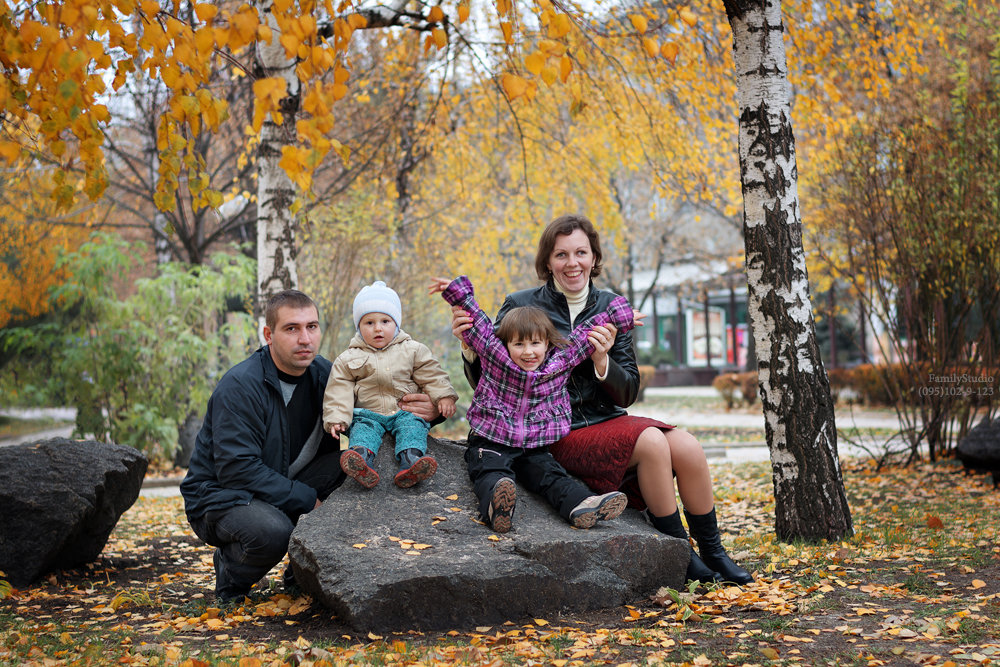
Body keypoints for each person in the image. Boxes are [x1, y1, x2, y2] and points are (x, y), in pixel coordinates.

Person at [453, 215, 753, 584]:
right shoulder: (520, 305)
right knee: (653, 441)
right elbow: (495, 379)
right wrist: (470, 351)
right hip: (552, 430)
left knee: (688, 446)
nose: (572, 263)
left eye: (581, 252)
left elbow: (628, 392)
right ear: (547, 261)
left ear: (594, 257)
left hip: (607, 420)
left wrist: (602, 359)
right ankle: (680, 553)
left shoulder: (611, 306)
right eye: (561, 254)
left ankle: (714, 551)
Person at [180, 289, 442, 602]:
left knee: (358, 464)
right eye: (292, 329)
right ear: (268, 334)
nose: (305, 338)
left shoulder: (327, 376)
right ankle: (230, 581)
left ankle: (300, 575)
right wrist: (306, 500)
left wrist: (432, 410)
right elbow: (237, 469)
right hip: (222, 496)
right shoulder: (241, 386)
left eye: (312, 327)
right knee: (272, 533)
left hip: (285, 482)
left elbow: (378, 410)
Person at [431, 274, 634, 533]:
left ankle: (581, 504)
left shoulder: (559, 363)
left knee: (550, 475)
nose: (528, 352)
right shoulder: (496, 354)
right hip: (492, 438)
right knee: (490, 470)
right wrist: (456, 293)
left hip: (534, 445)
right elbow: (477, 321)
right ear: (506, 344)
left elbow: (585, 336)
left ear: (547, 343)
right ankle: (497, 503)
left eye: (535, 343)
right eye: (519, 344)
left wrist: (619, 316)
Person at [323, 281, 458, 489]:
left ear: (396, 323)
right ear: (358, 326)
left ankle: (411, 461)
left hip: (403, 412)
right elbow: (338, 390)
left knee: (413, 427)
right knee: (362, 430)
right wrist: (336, 418)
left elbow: (431, 374)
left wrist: (444, 396)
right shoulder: (348, 358)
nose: (378, 328)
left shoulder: (413, 350)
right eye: (369, 323)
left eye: (385, 321)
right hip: (368, 413)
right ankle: (360, 460)